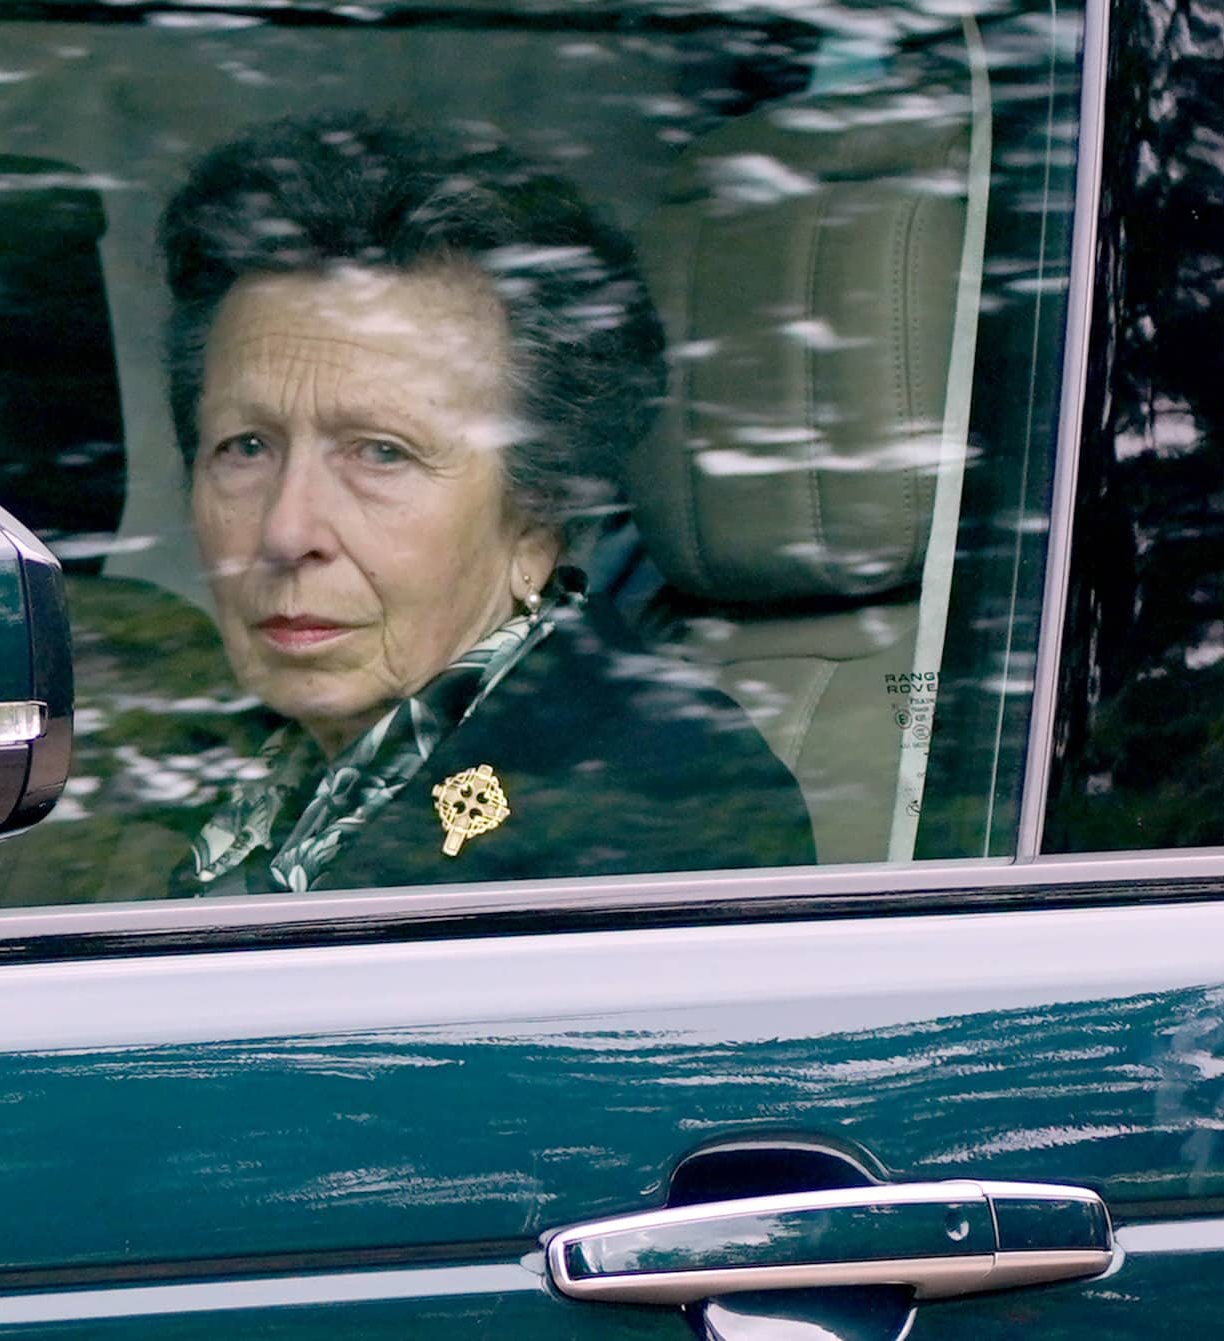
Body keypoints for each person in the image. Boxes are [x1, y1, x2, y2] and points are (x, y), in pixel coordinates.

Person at [158, 112, 813, 896]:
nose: (286, 529)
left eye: (380, 451)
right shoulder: (204, 761)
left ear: (535, 521)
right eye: (247, 447)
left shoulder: (656, 805)